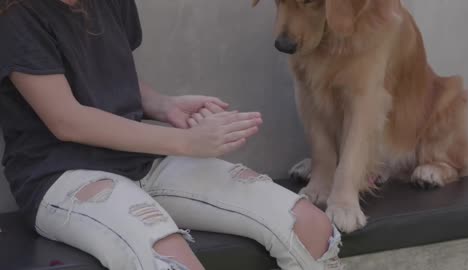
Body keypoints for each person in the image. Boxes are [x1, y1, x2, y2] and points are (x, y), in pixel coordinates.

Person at [0, 0, 341, 269]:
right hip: (60, 176)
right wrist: (186, 143)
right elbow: (66, 120)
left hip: (140, 158)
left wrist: (164, 106)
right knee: (169, 261)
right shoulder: (16, 14)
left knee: (310, 227)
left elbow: (112, 76)